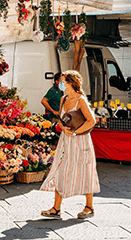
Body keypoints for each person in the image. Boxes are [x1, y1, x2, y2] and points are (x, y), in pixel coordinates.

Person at [40, 70, 100, 219]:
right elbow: (61, 118)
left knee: (86, 171)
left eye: (63, 81)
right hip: (65, 141)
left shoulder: (81, 100)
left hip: (80, 141)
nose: (60, 83)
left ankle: (89, 207)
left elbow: (91, 121)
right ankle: (56, 208)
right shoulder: (63, 99)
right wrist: (63, 126)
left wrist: (74, 132)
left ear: (70, 83)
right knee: (60, 170)